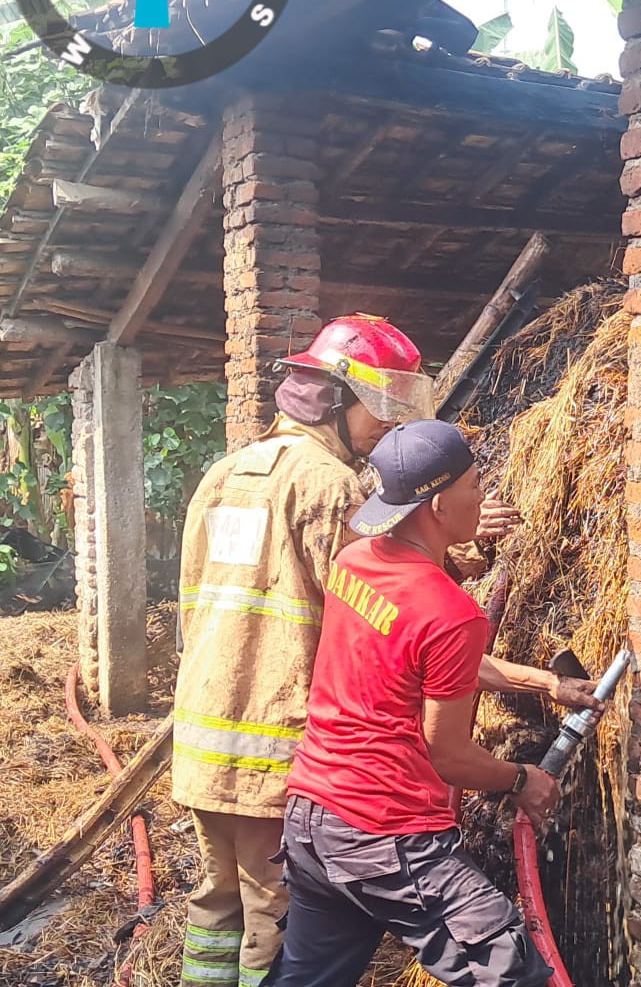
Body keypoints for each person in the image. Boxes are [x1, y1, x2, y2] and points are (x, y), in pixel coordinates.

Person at [172, 316, 520, 987]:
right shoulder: (327, 485)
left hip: (204, 737)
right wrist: (468, 549)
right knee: (273, 923)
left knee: (217, 908)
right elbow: (383, 605)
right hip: (279, 746)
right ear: (333, 399)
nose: (385, 426)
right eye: (376, 407)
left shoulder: (225, 473)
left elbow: (194, 603)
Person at [265, 420, 599, 987]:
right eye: (475, 485)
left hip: (313, 821)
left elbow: (427, 657)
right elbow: (448, 756)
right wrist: (523, 779)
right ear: (440, 504)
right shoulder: (451, 611)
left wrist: (547, 683)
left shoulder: (355, 561)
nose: (482, 495)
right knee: (509, 971)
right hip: (383, 833)